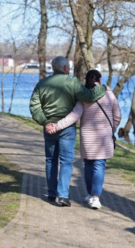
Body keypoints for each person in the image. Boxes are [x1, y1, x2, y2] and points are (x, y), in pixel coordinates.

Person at [30, 56, 107, 207]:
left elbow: (34, 107)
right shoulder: (72, 82)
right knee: (66, 161)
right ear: (65, 68)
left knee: (50, 160)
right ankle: (63, 195)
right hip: (67, 127)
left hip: (49, 128)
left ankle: (52, 193)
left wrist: (46, 122)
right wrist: (103, 88)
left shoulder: (42, 84)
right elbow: (89, 96)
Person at [46, 69, 121, 209]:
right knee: (99, 166)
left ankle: (90, 194)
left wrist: (56, 126)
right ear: (99, 80)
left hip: (88, 137)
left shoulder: (83, 98)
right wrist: (112, 128)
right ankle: (95, 197)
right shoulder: (109, 95)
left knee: (88, 166)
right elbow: (117, 116)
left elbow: (74, 116)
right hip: (104, 138)